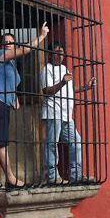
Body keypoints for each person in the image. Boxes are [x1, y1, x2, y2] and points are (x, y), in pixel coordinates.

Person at [0, 22, 49, 187]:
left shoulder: (11, 64)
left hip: (6, 104)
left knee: (1, 140)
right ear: (0, 45)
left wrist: (15, 97)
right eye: (5, 43)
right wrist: (41, 36)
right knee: (1, 141)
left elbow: (12, 82)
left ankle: (0, 179)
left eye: (11, 43)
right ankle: (11, 179)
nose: (8, 45)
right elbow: (25, 50)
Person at [40, 42, 96, 184]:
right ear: (50, 55)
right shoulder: (47, 70)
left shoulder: (65, 68)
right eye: (56, 52)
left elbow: (70, 88)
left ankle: (76, 175)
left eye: (62, 53)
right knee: (52, 144)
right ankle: (52, 177)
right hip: (53, 112)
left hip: (66, 115)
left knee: (76, 141)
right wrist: (62, 82)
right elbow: (47, 90)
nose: (60, 55)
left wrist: (86, 87)